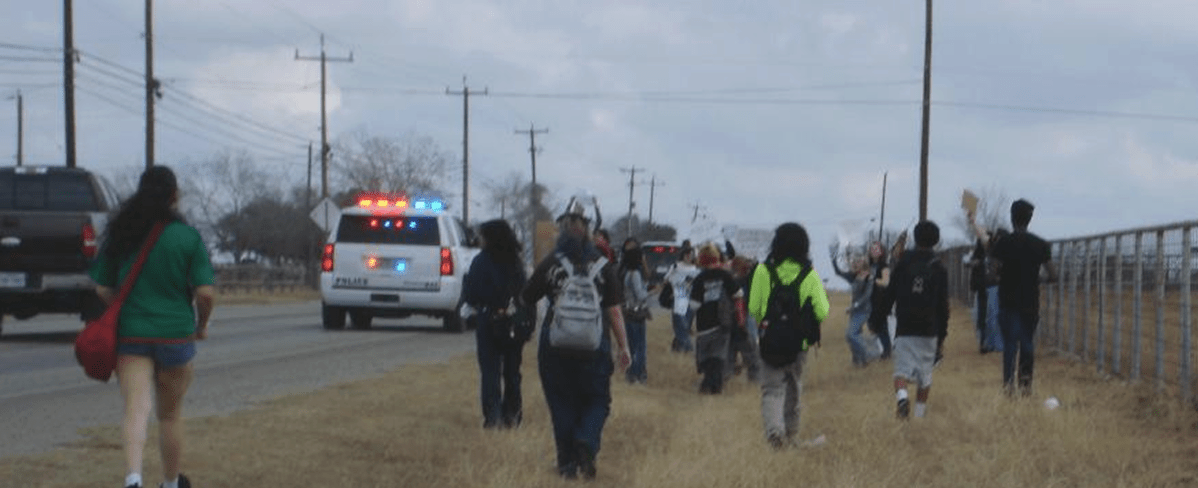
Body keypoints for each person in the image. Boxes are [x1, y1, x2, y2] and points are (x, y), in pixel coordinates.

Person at [89, 166, 215, 488]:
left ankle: (133, 479)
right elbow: (205, 293)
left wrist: (123, 306)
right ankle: (171, 483)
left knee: (135, 410)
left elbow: (101, 287)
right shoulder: (187, 237)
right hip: (175, 336)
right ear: (174, 196)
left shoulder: (122, 234)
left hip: (132, 334)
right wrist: (201, 325)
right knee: (170, 415)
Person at [522, 194, 631, 480]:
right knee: (597, 400)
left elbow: (527, 296)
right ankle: (587, 441)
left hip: (555, 344)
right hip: (595, 345)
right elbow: (614, 311)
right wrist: (624, 347)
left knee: (561, 403)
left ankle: (567, 465)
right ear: (589, 229)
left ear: (563, 228)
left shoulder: (552, 263)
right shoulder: (603, 266)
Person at [749, 223, 829, 449]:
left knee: (772, 389)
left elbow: (754, 307)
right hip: (798, 344)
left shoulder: (763, 271)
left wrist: (767, 322)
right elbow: (822, 310)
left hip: (769, 341)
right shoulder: (809, 274)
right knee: (793, 388)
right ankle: (791, 435)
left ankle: (775, 434)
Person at [971, 199, 1058, 396]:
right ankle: (1025, 386)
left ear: (1012, 217)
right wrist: (1038, 279)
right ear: (1030, 219)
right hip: (1030, 302)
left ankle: (1008, 386)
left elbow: (991, 275)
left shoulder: (1003, 243)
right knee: (1027, 343)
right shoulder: (1041, 244)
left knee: (1010, 344)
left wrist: (1002, 276)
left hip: (1008, 301)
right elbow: (1054, 276)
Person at [462, 219, 529, 429]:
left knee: (490, 371)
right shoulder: (516, 262)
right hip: (514, 322)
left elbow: (471, 294)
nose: (480, 240)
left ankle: (493, 417)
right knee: (512, 371)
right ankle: (513, 414)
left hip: (488, 320)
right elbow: (525, 294)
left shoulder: (481, 261)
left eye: (482, 236)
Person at [888, 221, 949, 419]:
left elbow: (890, 292)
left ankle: (902, 397)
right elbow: (943, 306)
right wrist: (942, 335)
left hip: (905, 326)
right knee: (925, 376)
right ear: (936, 241)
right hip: (929, 328)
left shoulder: (903, 263)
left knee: (901, 372)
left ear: (915, 238)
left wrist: (879, 315)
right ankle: (919, 415)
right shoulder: (938, 267)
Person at [689, 242, 744, 394]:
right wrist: (739, 320)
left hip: (704, 325)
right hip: (723, 323)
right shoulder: (726, 276)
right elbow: (738, 295)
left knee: (706, 357)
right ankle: (715, 386)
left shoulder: (699, 279)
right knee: (718, 356)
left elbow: (693, 305)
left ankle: (708, 384)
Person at [832, 251, 874, 366]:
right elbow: (838, 272)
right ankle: (858, 361)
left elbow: (867, 296)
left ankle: (867, 355)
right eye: (854, 261)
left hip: (864, 311)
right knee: (852, 336)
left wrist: (854, 306)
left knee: (851, 334)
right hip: (854, 312)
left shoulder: (869, 277)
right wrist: (833, 259)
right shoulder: (853, 276)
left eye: (858, 261)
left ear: (864, 263)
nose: (855, 263)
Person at [619, 241, 653, 384]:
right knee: (640, 347)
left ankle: (631, 374)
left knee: (631, 346)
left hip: (628, 313)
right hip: (636, 313)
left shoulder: (627, 273)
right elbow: (640, 295)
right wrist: (653, 291)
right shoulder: (635, 275)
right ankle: (638, 374)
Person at [727, 255, 761, 382]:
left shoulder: (728, 279)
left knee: (729, 354)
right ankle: (753, 381)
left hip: (730, 321)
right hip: (743, 319)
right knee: (752, 353)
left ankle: (728, 376)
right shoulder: (746, 280)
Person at [968, 234, 1003, 354]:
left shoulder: (996, 254)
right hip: (981, 289)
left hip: (994, 288)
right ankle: (984, 342)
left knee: (993, 317)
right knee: (982, 317)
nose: (985, 243)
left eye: (987, 240)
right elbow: (969, 263)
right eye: (983, 241)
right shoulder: (978, 255)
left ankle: (994, 343)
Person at [662, 246, 699, 353]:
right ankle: (688, 348)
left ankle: (678, 348)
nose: (689, 257)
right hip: (677, 299)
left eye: (691, 255)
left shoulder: (696, 268)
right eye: (687, 254)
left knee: (686, 326)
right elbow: (666, 280)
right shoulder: (675, 266)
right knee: (680, 325)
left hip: (690, 300)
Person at [866, 241, 894, 360]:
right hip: (869, 301)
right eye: (872, 249)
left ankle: (887, 351)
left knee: (882, 328)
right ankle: (877, 350)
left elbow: (886, 282)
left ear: (882, 251)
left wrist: (873, 280)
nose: (874, 251)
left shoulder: (884, 266)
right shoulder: (868, 266)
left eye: (876, 249)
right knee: (872, 326)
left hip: (880, 301)